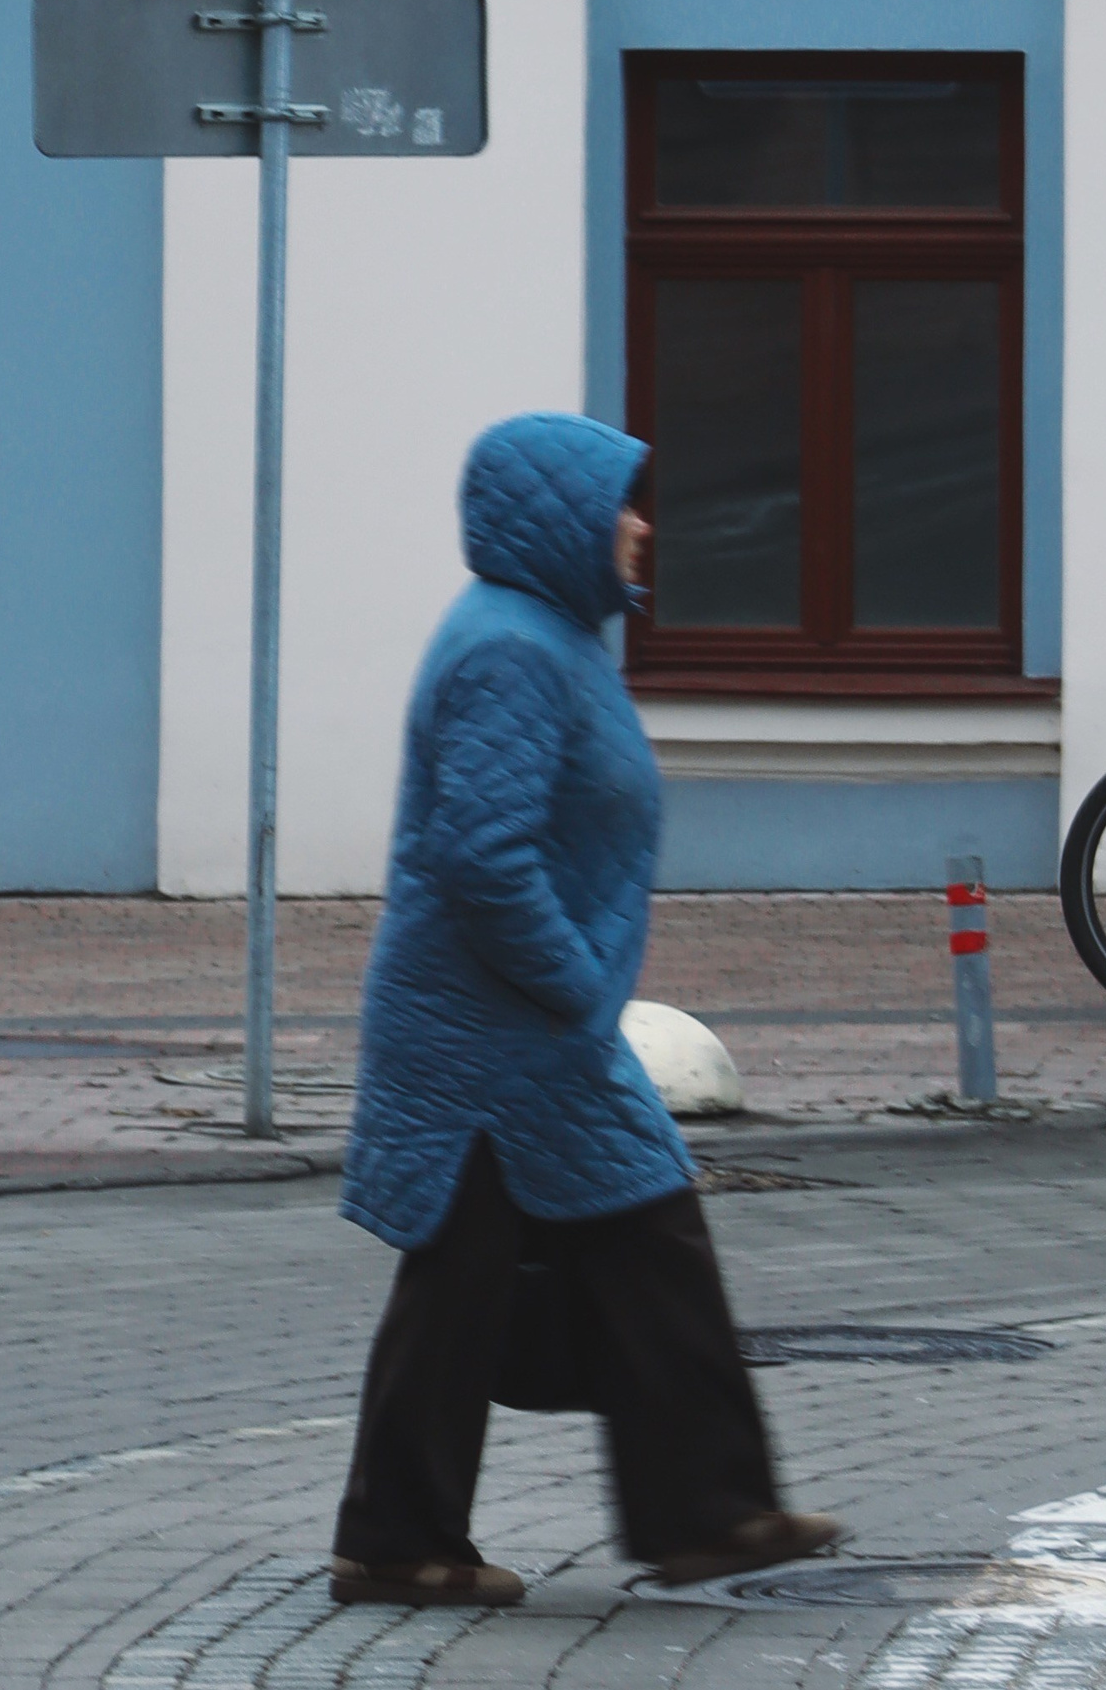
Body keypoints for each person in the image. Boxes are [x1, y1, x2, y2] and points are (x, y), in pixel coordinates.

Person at [331, 410, 841, 1609]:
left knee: (584, 1251)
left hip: (520, 1032)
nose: (641, 525)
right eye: (622, 502)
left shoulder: (549, 639)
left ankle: (684, 1514)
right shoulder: (509, 649)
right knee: (557, 1254)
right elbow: (481, 856)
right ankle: (438, 1536)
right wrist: (573, 985)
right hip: (486, 1035)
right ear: (559, 520)